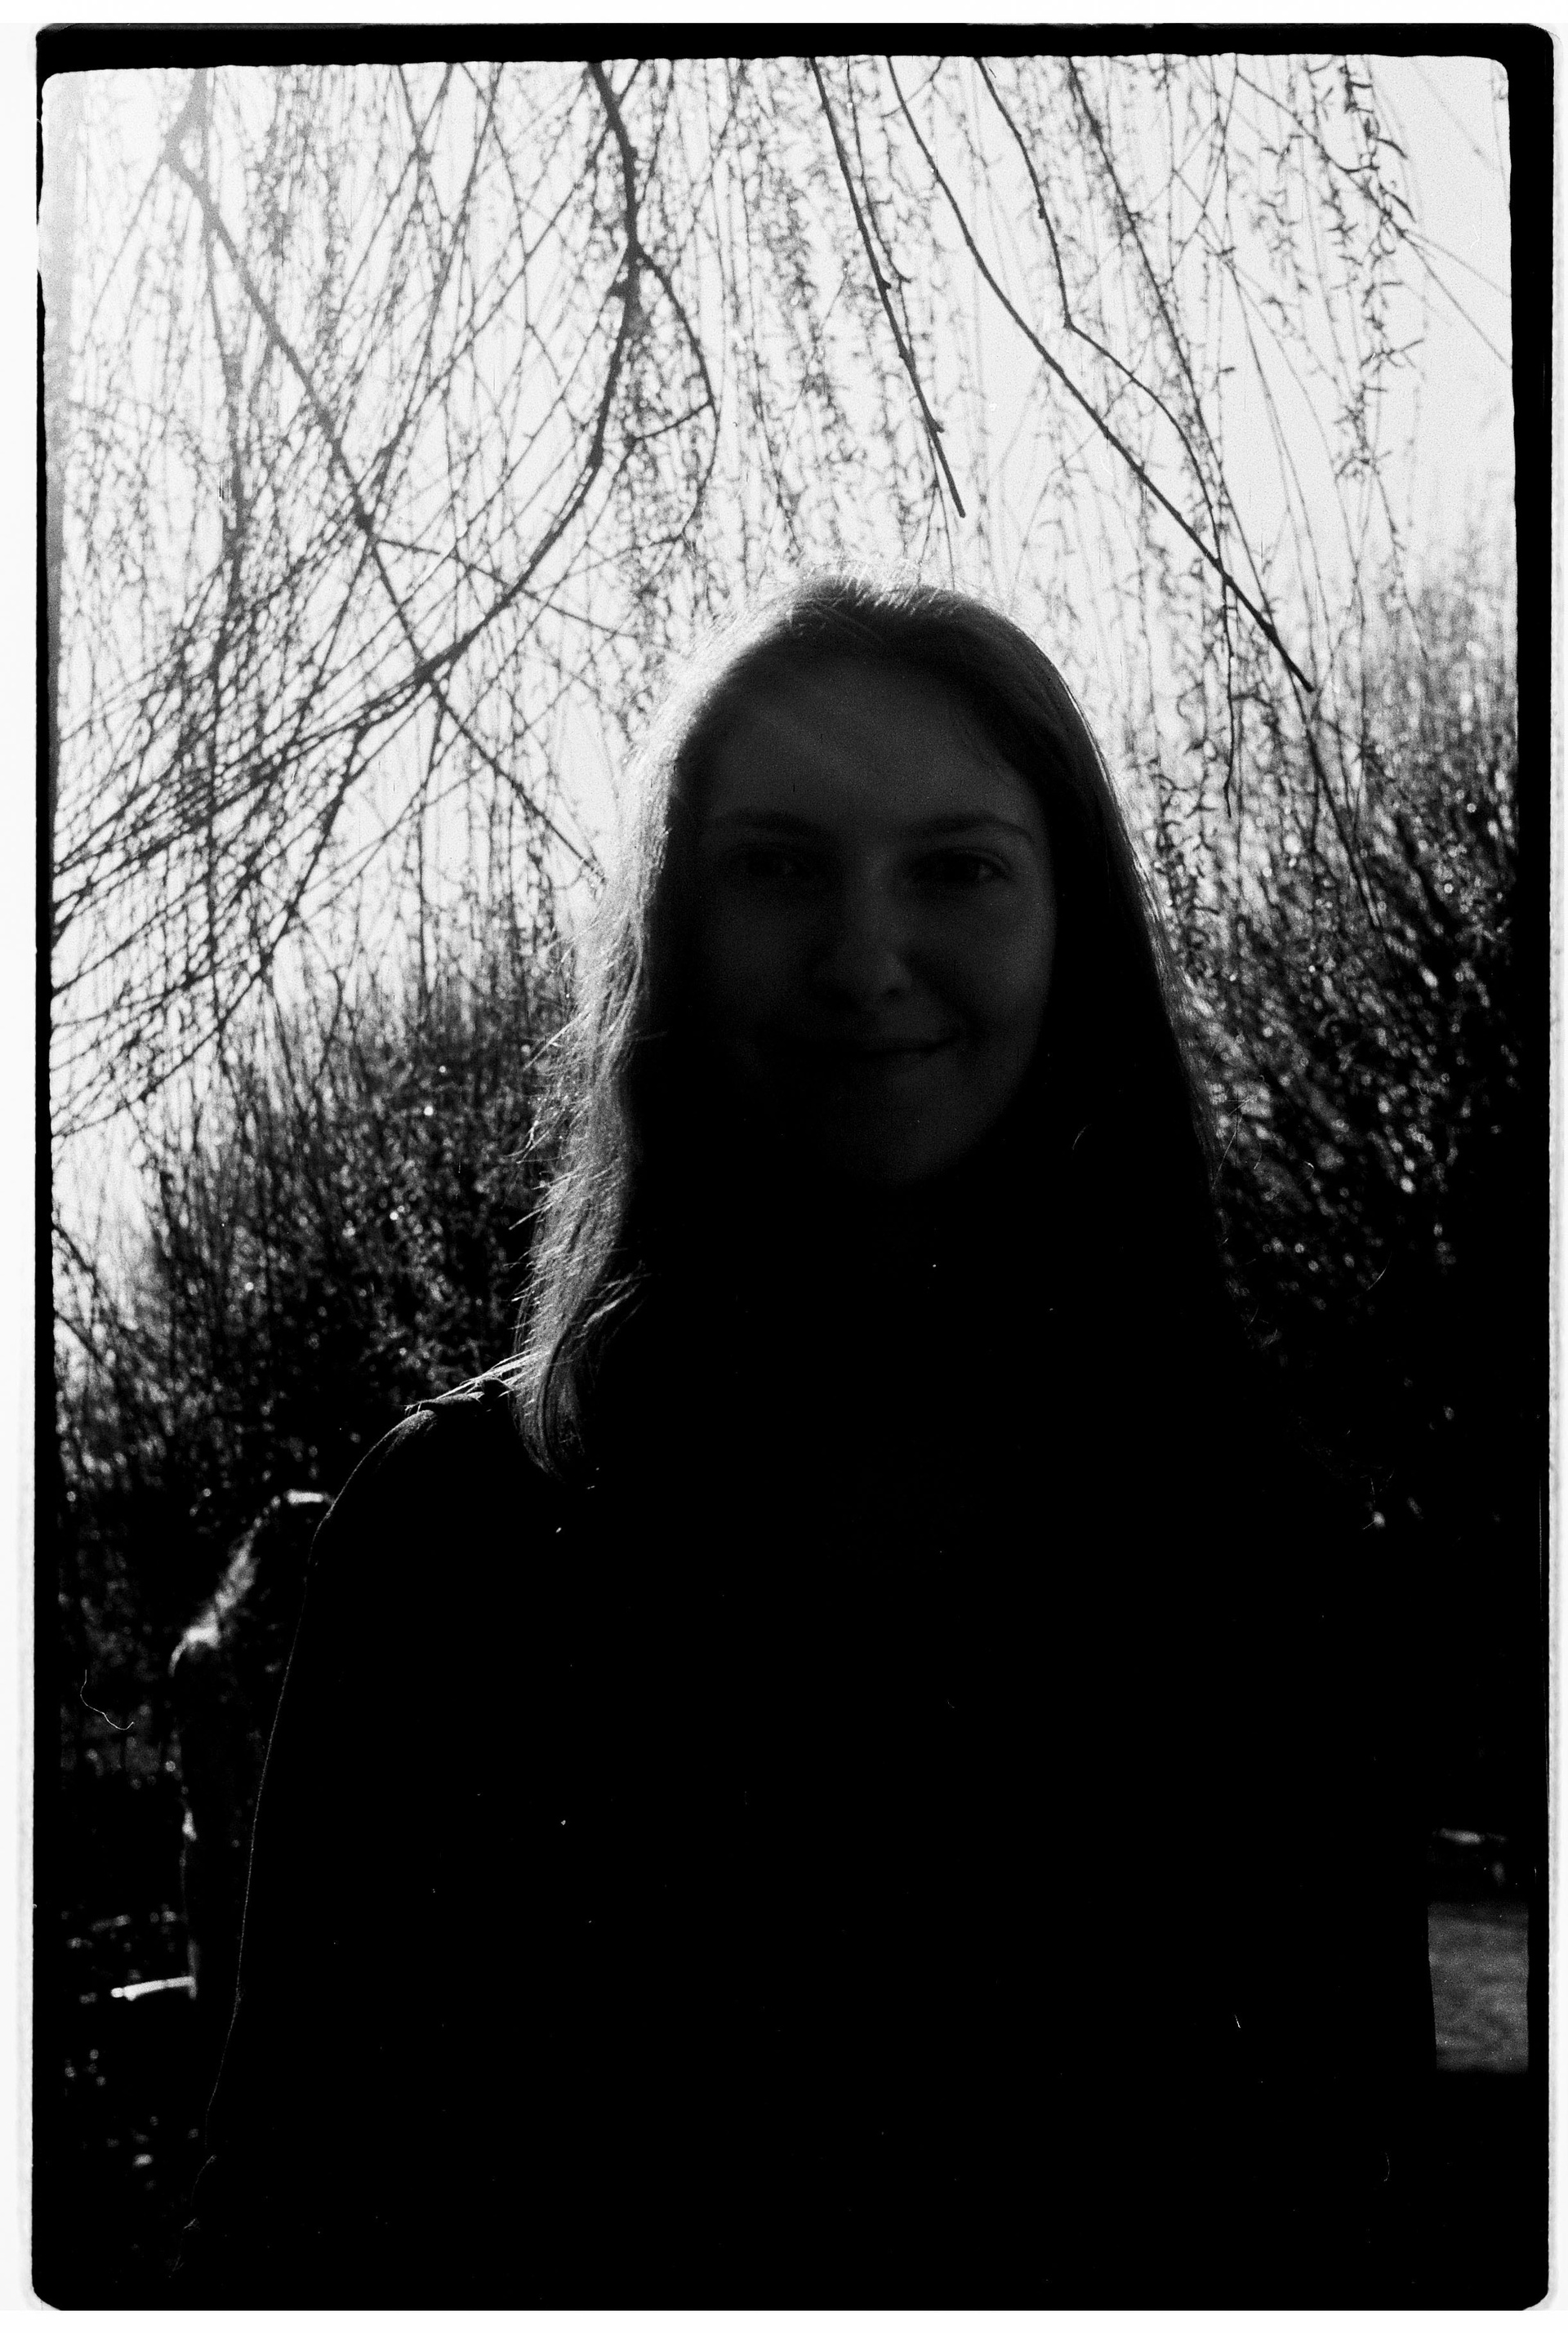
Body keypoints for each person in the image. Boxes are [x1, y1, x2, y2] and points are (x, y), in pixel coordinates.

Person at [179, 574, 1432, 2304]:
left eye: (958, 867)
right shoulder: (455, 1535)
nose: (863, 956)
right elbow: (291, 2224)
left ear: (1074, 927)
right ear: (678, 932)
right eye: (777, 866)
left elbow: (1349, 2231)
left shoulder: (1262, 1560)